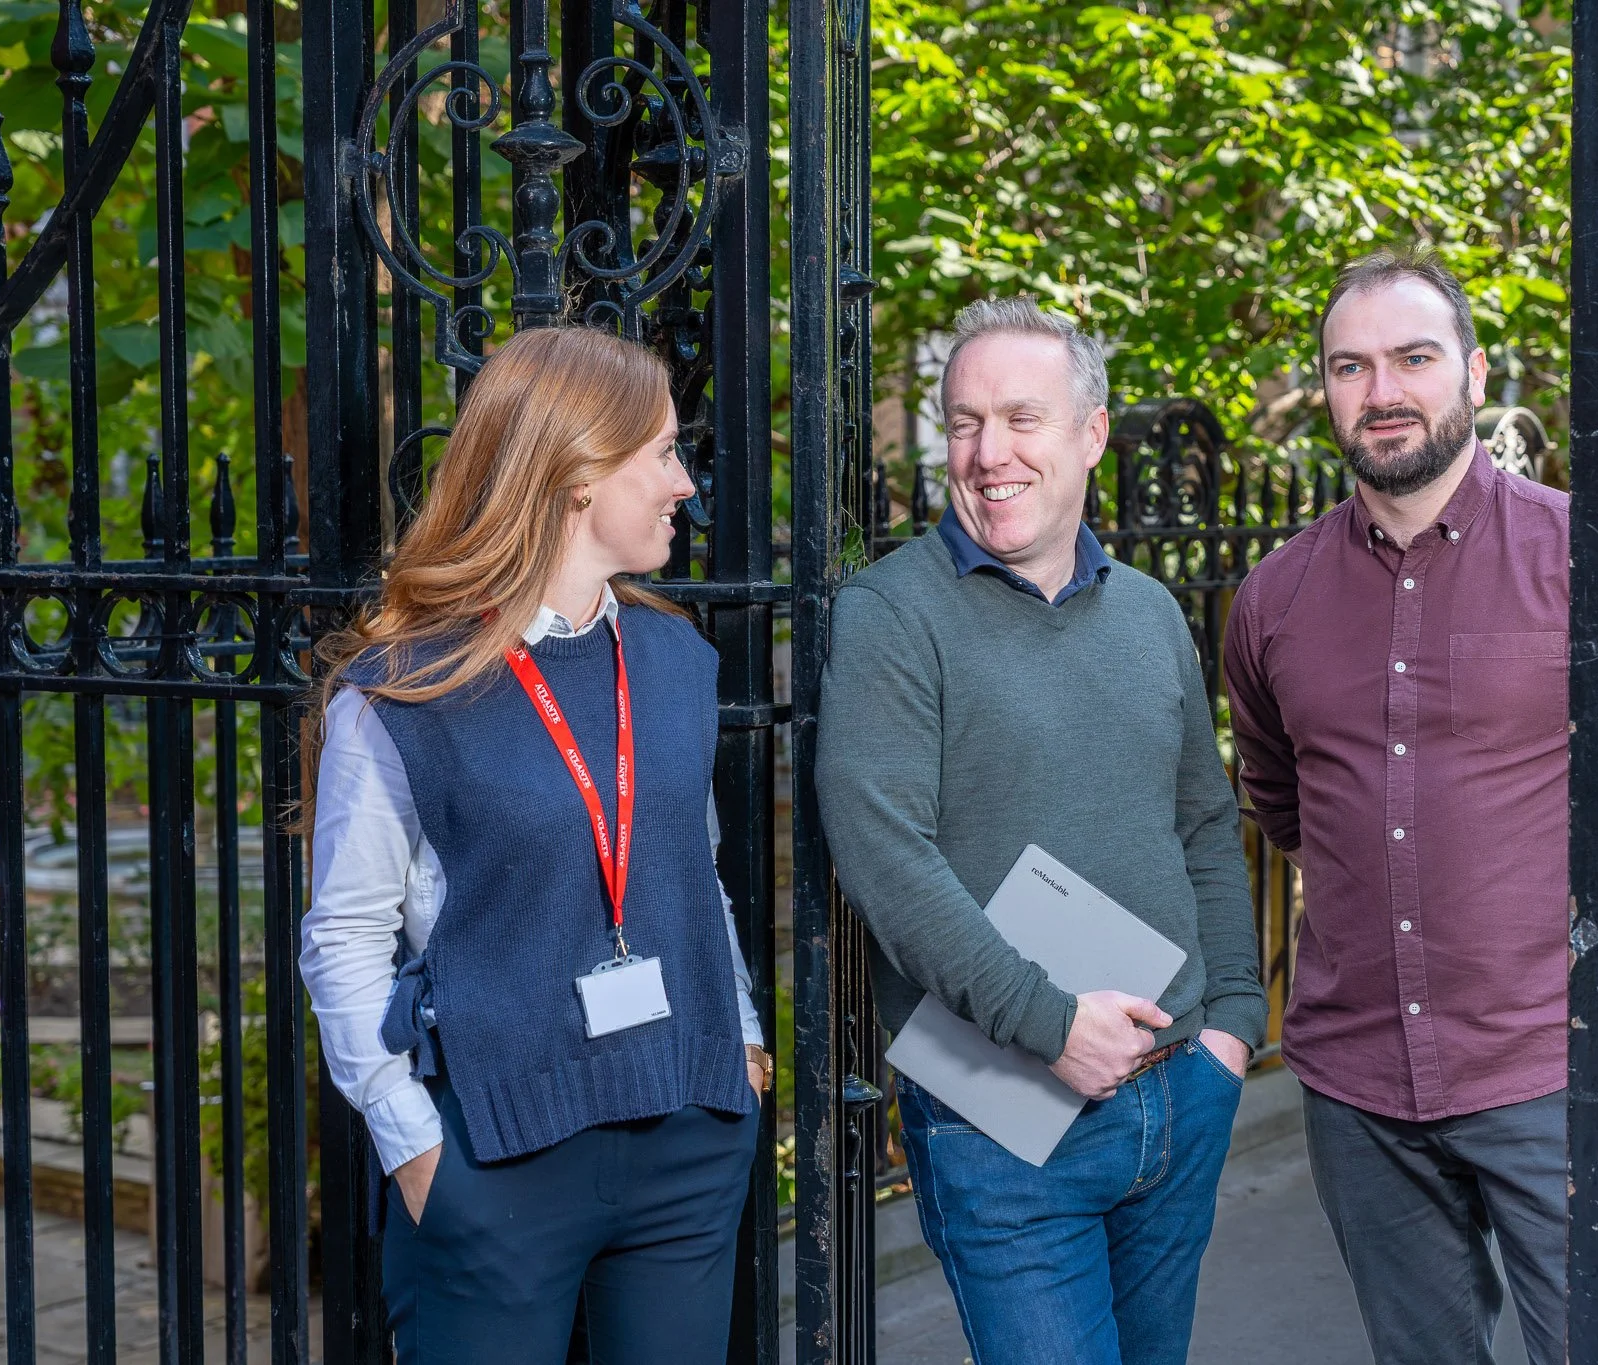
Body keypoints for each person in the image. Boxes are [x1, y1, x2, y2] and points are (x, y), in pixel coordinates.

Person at [1221, 247, 1598, 1365]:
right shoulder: (1274, 598)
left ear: (1473, 370)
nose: (1382, 391)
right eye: (1350, 367)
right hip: (1359, 1086)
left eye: (1413, 358)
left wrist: (1563, 939)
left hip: (1556, 1069)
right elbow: (1285, 804)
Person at [299, 326, 771, 1365]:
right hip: (495, 1157)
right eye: (662, 452)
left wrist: (737, 1043)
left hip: (687, 1134)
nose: (685, 484)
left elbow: (693, 872)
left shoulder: (675, 658)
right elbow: (343, 940)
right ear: (576, 474)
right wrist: (415, 1148)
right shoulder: (404, 690)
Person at [815, 297, 1267, 1365]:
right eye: (965, 423)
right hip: (998, 1115)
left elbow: (1204, 821)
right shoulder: (890, 614)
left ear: (1092, 432)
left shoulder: (1149, 611)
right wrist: (1048, 1021)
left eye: (1022, 418)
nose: (989, 453)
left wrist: (1234, 1024)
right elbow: (884, 856)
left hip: (1178, 1087)